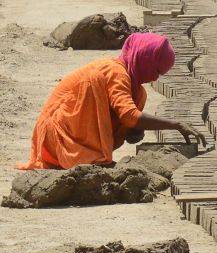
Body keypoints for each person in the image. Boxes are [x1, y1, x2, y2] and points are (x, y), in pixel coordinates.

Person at [19, 32, 205, 170]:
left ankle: (92, 158)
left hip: (76, 137)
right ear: (144, 59)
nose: (155, 79)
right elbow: (129, 115)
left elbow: (128, 118)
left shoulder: (137, 92)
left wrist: (131, 130)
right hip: (57, 136)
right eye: (156, 71)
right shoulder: (116, 72)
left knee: (139, 98)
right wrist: (176, 124)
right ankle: (83, 158)